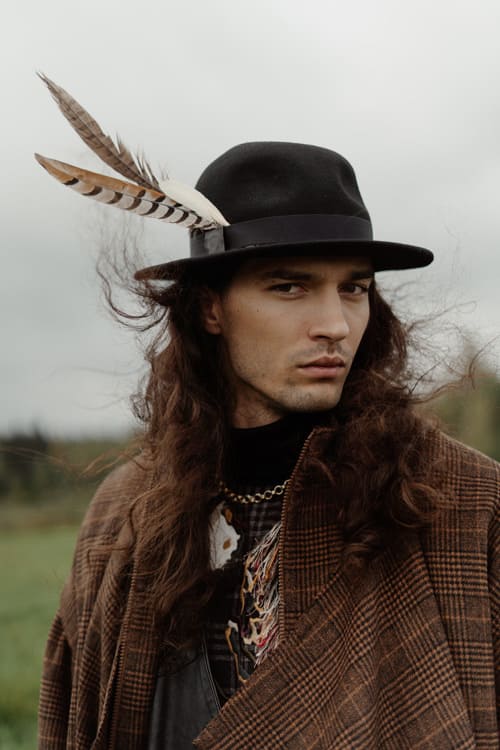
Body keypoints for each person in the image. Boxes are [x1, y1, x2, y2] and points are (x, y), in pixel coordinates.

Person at [36, 78, 499, 749]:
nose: (335, 324)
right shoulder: (123, 516)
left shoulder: (464, 500)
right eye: (290, 287)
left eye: (354, 289)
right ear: (210, 308)